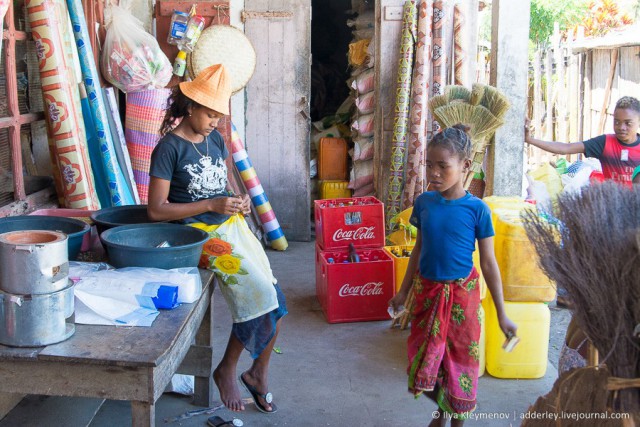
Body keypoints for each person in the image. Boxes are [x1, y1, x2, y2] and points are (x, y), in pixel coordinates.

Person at [147, 64, 287, 414]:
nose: (215, 121)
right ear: (191, 106)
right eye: (210, 114)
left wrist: (235, 201)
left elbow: (219, 183)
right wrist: (211, 204)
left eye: (219, 115)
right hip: (193, 235)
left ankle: (256, 372)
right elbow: (156, 211)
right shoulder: (168, 149)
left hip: (227, 226)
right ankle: (226, 370)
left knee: (277, 300)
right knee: (261, 293)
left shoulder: (215, 139)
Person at [389, 124, 518, 426]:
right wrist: (403, 292)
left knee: (461, 362)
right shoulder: (423, 204)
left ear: (465, 166)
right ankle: (446, 409)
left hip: (463, 297)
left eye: (442, 166)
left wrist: (502, 314)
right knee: (424, 361)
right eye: (429, 165)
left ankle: (452, 415)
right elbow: (418, 251)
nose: (433, 173)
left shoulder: (478, 210)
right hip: (427, 293)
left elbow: (488, 264)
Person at [524, 96, 640, 187]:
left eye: (628, 123)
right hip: (612, 206)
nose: (621, 127)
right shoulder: (605, 143)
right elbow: (565, 148)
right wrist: (530, 140)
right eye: (617, 122)